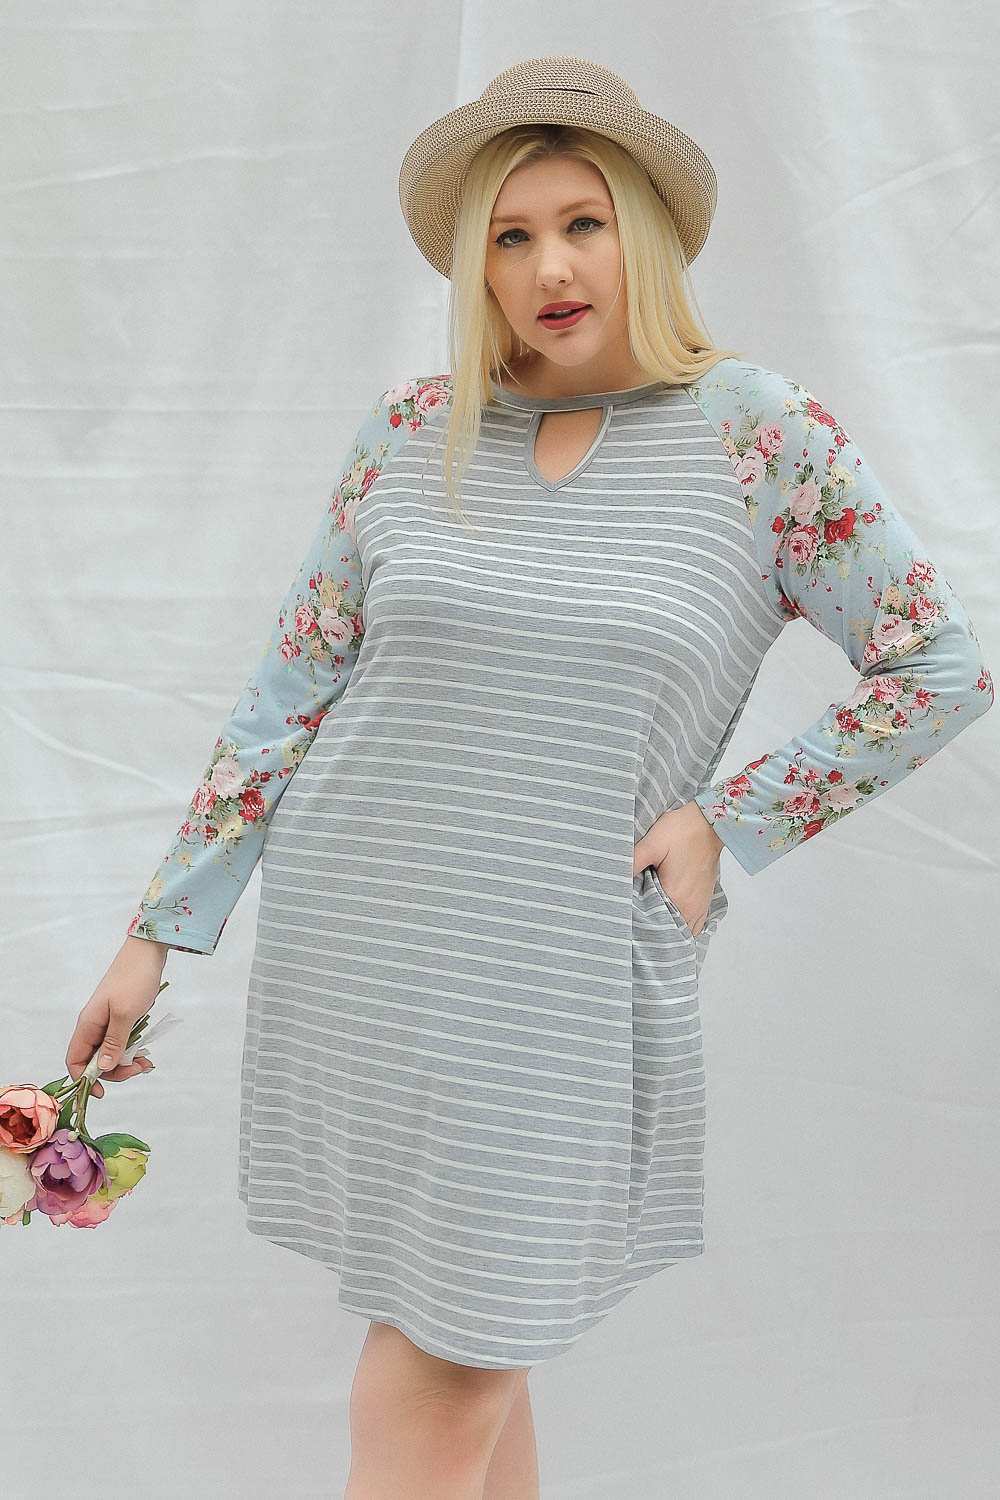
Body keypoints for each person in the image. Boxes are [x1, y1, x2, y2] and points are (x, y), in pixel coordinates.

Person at [65, 55, 993, 1500]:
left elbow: (937, 665)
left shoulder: (757, 435)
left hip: (556, 983)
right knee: (459, 1350)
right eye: (510, 235)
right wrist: (156, 934)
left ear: (645, 234)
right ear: (474, 265)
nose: (550, 267)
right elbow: (287, 696)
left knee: (459, 1348)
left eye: (583, 223)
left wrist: (726, 823)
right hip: (365, 951)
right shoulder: (411, 430)